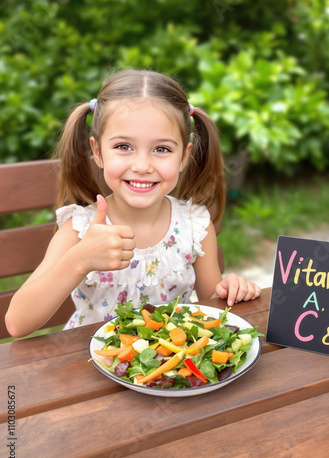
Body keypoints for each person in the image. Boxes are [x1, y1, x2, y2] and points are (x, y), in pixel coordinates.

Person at [6, 69, 261, 338]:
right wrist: (79, 260)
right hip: (91, 365)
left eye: (162, 149)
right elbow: (17, 323)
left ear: (184, 156)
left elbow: (212, 300)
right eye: (124, 147)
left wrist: (230, 289)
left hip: (169, 367)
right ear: (97, 152)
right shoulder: (80, 229)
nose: (142, 166)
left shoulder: (194, 225)